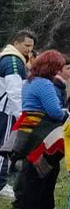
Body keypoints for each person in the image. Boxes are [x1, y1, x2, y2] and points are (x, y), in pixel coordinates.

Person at [10, 49, 70, 209]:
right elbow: (54, 111)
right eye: (58, 67)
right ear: (52, 67)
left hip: (28, 128)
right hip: (41, 132)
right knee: (36, 173)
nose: (60, 70)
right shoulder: (44, 84)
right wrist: (67, 113)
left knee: (39, 170)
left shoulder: (30, 81)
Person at [0, 29, 35, 198]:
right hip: (5, 110)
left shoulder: (9, 57)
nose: (29, 49)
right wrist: (21, 115)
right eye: (26, 45)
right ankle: (0, 184)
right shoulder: (13, 61)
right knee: (4, 146)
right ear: (16, 43)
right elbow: (14, 91)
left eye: (31, 46)